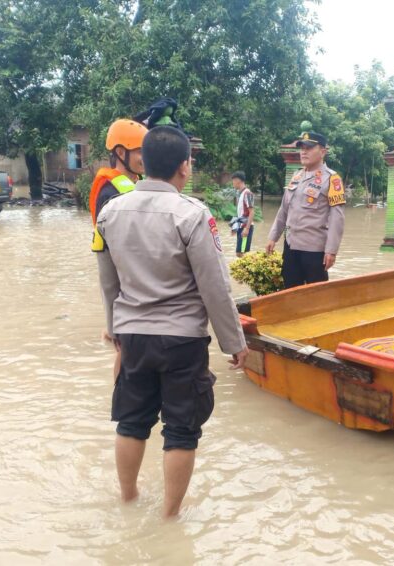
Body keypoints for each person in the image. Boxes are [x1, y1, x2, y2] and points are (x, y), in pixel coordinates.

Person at [95, 126, 250, 518]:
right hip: (181, 340)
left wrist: (114, 328)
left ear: (143, 162)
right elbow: (214, 287)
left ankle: (128, 499)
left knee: (131, 423)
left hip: (133, 336)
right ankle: (169, 518)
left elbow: (107, 279)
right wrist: (234, 343)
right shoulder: (192, 214)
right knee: (181, 431)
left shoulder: (110, 212)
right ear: (185, 166)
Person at [90, 118, 149, 379]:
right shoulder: (110, 191)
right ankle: (123, 403)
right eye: (140, 152)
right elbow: (110, 263)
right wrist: (113, 320)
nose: (144, 158)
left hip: (134, 280)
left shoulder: (132, 182)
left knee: (126, 349)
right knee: (124, 350)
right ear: (121, 153)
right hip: (126, 280)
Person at [265, 130, 346, 288]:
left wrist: (331, 250)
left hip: (314, 251)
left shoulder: (332, 179)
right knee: (290, 292)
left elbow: (337, 218)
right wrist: (272, 237)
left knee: (316, 297)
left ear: (322, 151)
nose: (303, 151)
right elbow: (284, 210)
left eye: (309, 148)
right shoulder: (296, 176)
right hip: (290, 246)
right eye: (302, 148)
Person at [230, 170, 255, 257]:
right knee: (240, 253)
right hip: (241, 227)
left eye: (233, 181)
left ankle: (249, 269)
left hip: (246, 228)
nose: (232, 183)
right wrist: (235, 227)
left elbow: (252, 212)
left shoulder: (247, 193)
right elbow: (241, 215)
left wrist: (247, 229)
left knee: (242, 253)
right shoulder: (241, 194)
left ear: (238, 181)